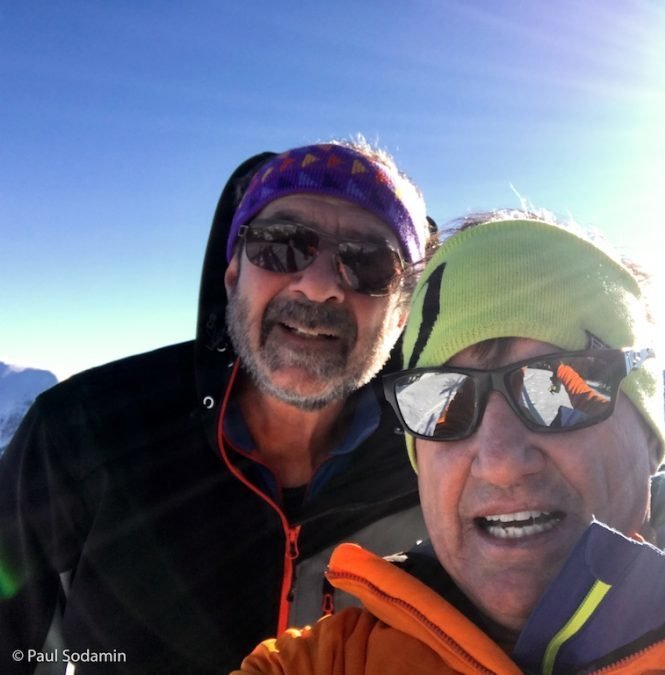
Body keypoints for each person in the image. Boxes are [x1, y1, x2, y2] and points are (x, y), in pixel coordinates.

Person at [234, 212, 665, 674]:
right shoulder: (335, 660)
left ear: (650, 436)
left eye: (559, 387)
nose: (497, 458)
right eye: (443, 401)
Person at [0, 140, 435, 674]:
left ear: (399, 316)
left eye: (369, 264)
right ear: (233, 276)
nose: (320, 285)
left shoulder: (438, 463)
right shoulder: (83, 432)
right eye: (281, 244)